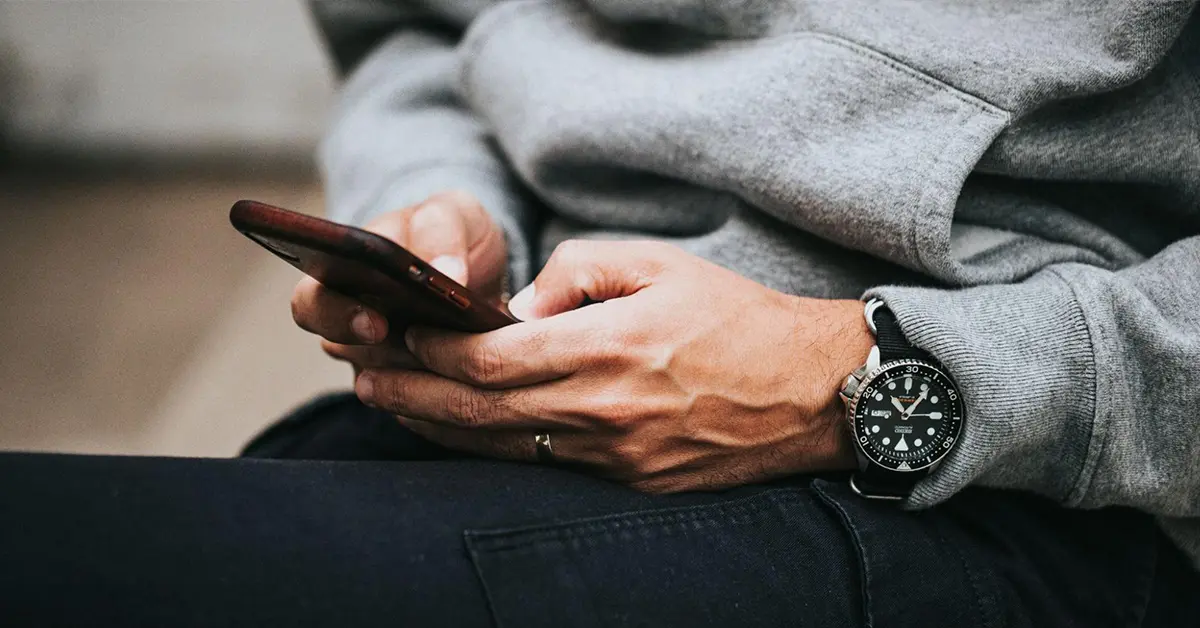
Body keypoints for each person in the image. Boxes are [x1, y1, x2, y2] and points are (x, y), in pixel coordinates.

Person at [2, 0, 1199, 625]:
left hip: (1036, 489)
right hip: (533, 385)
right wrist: (443, 203)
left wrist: (855, 381)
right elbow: (417, 30)